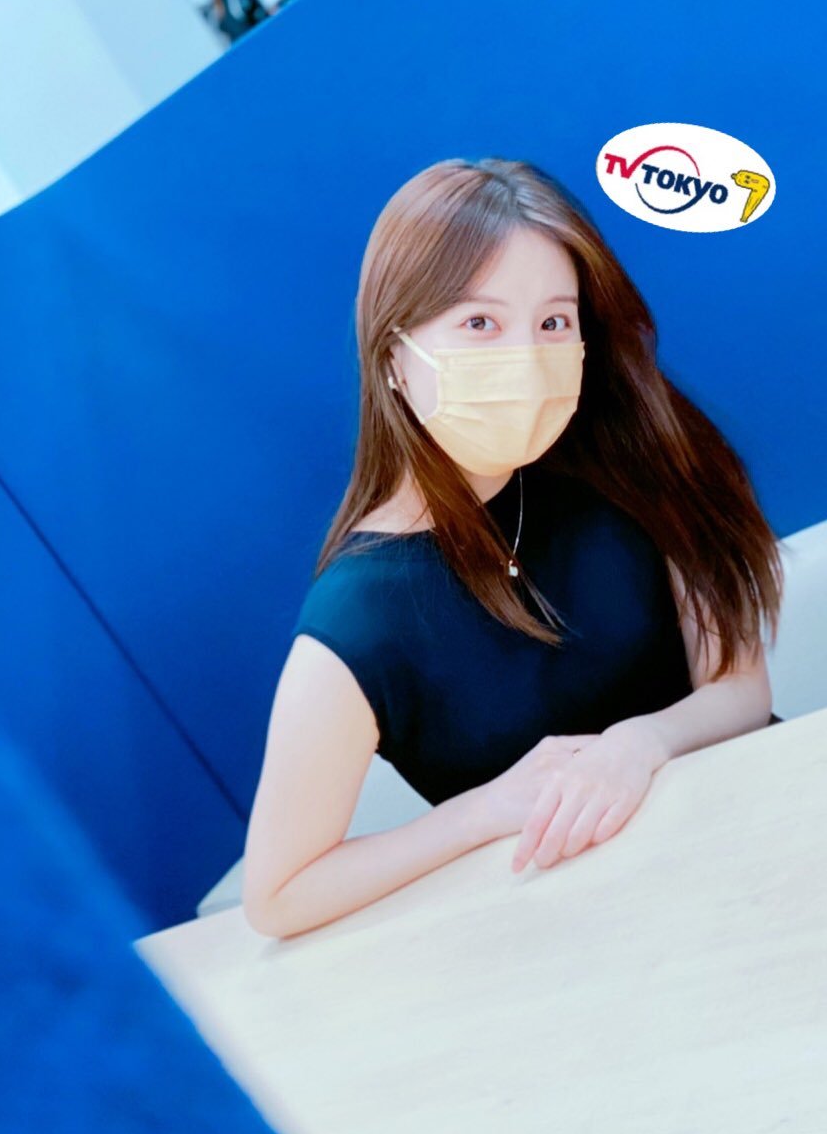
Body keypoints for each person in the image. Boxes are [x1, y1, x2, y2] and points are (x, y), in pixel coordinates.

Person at [243, 157, 785, 940]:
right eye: (480, 323)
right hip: (594, 933)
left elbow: (742, 690)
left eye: (553, 322)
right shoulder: (356, 618)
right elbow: (279, 893)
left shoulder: (628, 460)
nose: (526, 359)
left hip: (767, 827)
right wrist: (485, 810)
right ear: (393, 357)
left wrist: (641, 744)